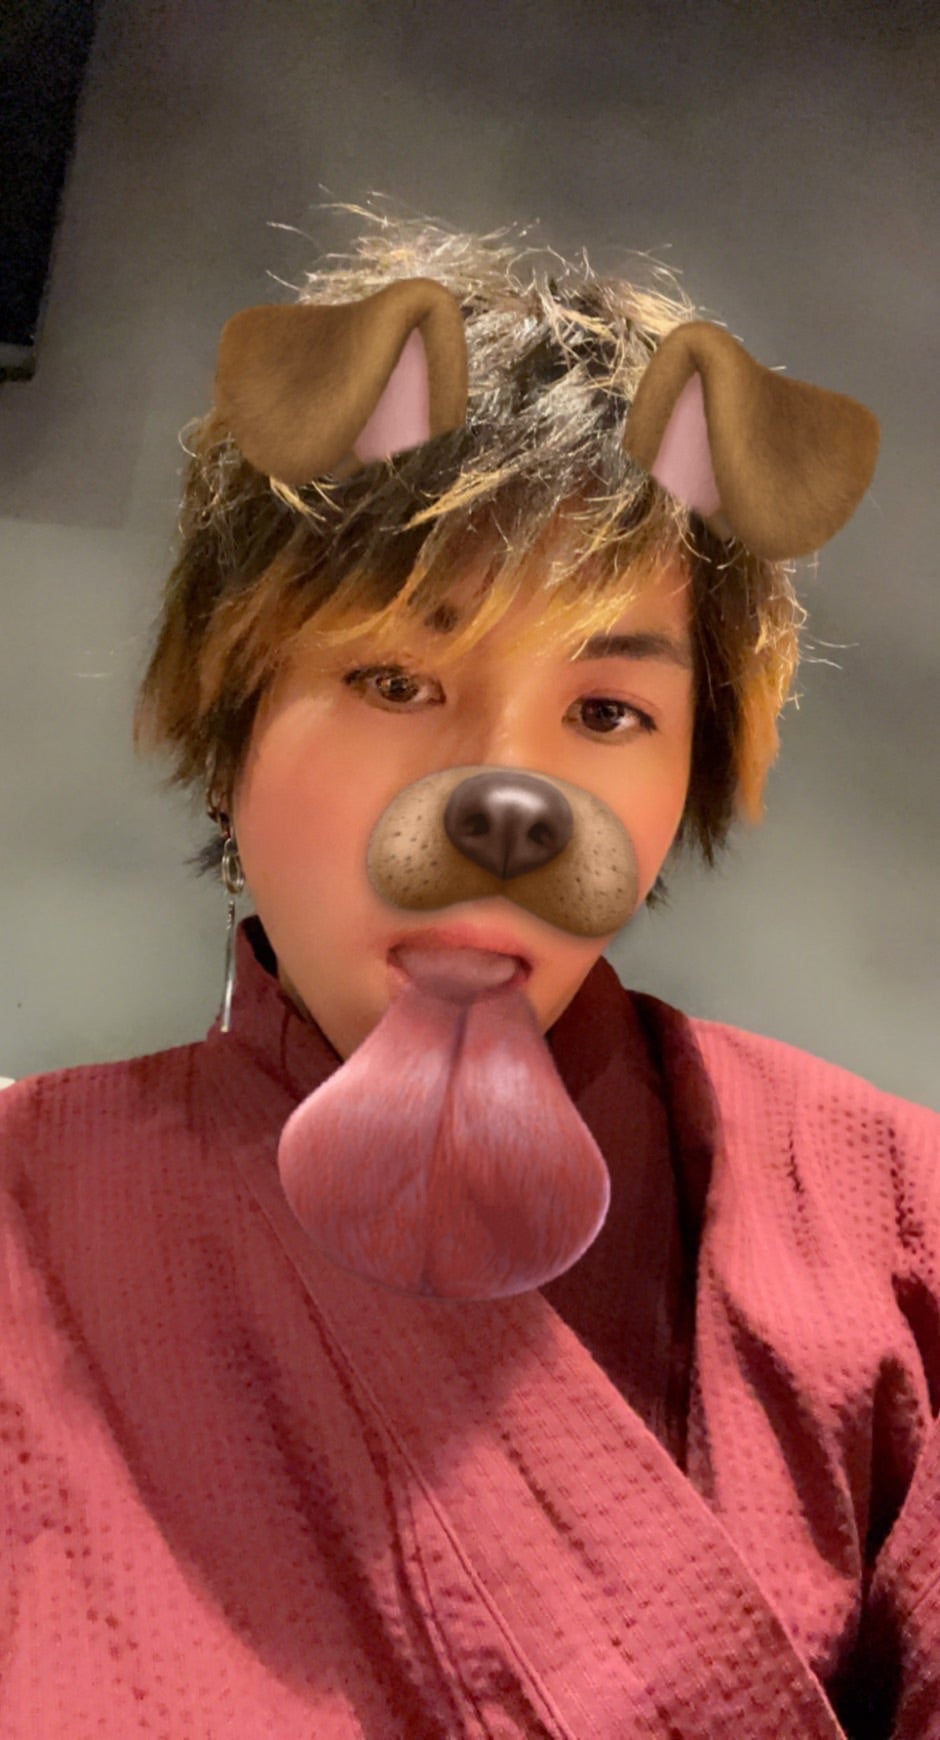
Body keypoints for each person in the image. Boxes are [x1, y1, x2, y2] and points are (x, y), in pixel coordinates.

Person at [2, 211, 938, 1739]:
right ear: (235, 717)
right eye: (394, 679)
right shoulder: (24, 1212)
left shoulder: (907, 1228)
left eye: (609, 712)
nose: (510, 797)